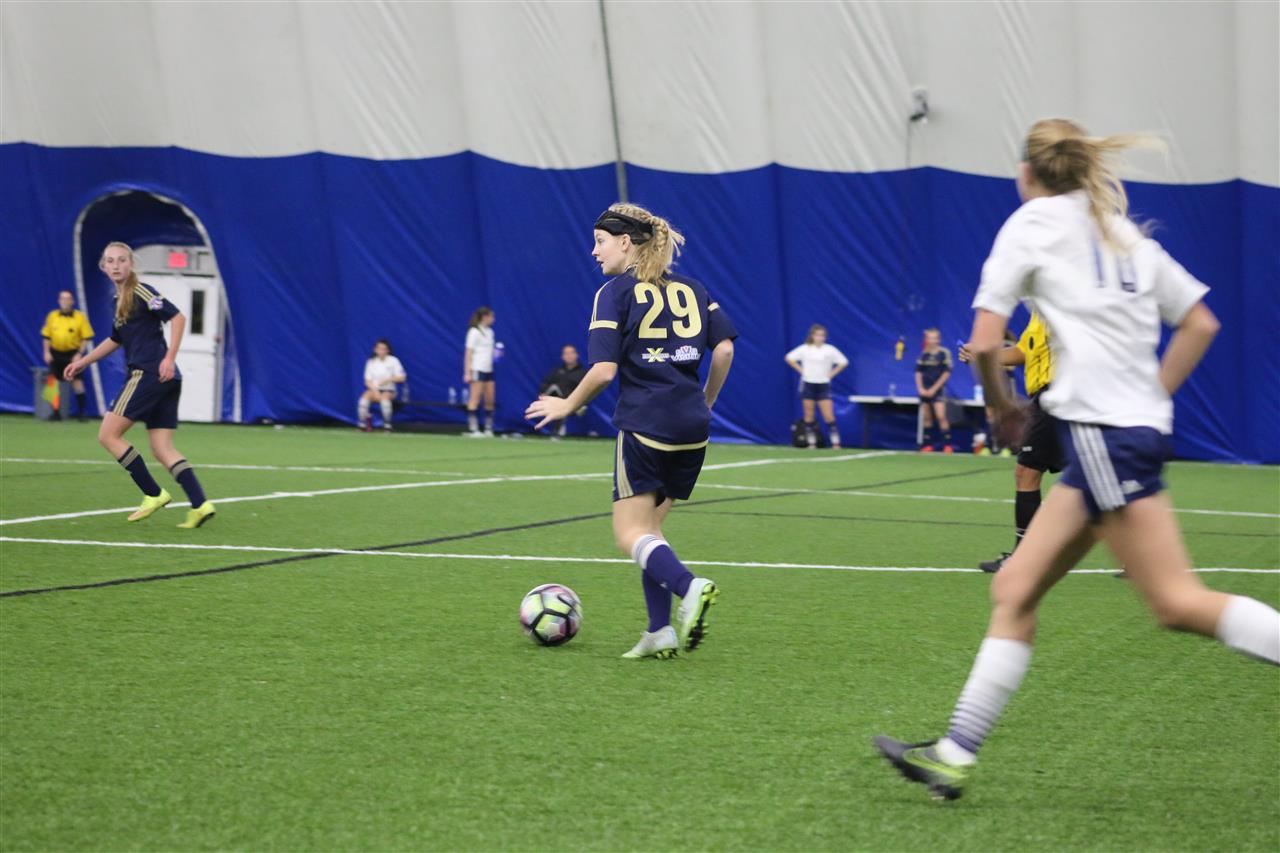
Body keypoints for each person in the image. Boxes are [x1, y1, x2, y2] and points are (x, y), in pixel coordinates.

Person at [873, 118, 1279, 802]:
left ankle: (953, 753)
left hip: (1100, 434)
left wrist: (1002, 406)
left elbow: (983, 342)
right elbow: (1200, 321)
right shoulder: (1119, 231)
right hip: (1120, 433)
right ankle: (952, 754)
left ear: (1026, 172)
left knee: (1175, 602)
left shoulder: (1029, 225)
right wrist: (1151, 396)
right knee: (1014, 589)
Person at [525, 203, 737, 660]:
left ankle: (689, 586)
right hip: (692, 426)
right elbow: (723, 349)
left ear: (625, 242)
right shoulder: (693, 288)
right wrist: (707, 400)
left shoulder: (614, 292)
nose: (594, 251)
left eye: (600, 241)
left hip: (646, 422)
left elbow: (604, 371)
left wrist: (567, 404)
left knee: (629, 533)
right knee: (651, 531)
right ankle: (659, 630)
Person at [65, 242, 216, 528]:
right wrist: (84, 361)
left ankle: (153, 493)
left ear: (131, 263)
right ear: (103, 266)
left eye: (122, 260)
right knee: (162, 448)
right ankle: (200, 504)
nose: (116, 265)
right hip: (165, 379)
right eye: (110, 261)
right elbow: (116, 339)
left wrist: (169, 358)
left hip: (149, 374)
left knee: (108, 435)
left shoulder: (141, 291)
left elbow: (178, 317)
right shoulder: (118, 300)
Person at [961, 312, 1062, 572]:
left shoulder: (1066, 304)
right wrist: (983, 355)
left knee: (1027, 472)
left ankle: (1025, 558)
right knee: (1099, 476)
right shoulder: (1039, 313)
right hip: (1048, 396)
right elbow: (1023, 351)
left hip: (1060, 394)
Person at [785, 324, 848, 449]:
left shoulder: (830, 350)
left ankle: (836, 443)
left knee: (828, 415)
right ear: (812, 336)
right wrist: (802, 371)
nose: (820, 338)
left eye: (822, 335)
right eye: (817, 335)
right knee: (809, 415)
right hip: (808, 384)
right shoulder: (805, 348)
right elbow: (789, 358)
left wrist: (831, 374)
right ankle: (811, 443)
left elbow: (843, 362)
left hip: (823, 385)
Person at [41, 290, 95, 421]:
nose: (65, 301)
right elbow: (46, 336)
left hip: (72, 354)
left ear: (72, 301)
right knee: (53, 382)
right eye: (62, 299)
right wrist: (46, 352)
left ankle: (82, 413)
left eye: (68, 299)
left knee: (77, 381)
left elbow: (86, 337)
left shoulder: (80, 317)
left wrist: (79, 354)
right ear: (59, 301)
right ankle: (55, 413)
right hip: (55, 353)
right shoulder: (52, 316)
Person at [915, 328, 953, 453]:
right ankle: (927, 445)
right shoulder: (923, 354)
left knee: (941, 416)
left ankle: (947, 445)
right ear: (926, 339)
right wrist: (921, 388)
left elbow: (946, 373)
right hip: (924, 390)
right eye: (930, 338)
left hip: (937, 390)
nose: (932, 341)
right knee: (927, 417)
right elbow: (918, 373)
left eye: (935, 338)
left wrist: (934, 388)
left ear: (938, 339)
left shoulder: (944, 353)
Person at [538, 344, 588, 438]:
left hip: (575, 401)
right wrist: (543, 394)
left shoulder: (583, 372)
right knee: (554, 388)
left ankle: (573, 410)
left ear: (577, 355)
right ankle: (556, 430)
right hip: (557, 401)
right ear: (562, 356)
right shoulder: (557, 371)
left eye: (571, 353)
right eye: (566, 353)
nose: (569, 356)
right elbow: (545, 384)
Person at [358, 339, 406, 432]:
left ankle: (387, 425)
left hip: (389, 390)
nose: (381, 351)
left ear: (388, 350)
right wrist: (375, 391)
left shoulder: (394, 361)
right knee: (364, 400)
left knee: (385, 400)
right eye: (379, 348)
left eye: (384, 349)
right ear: (375, 350)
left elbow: (402, 377)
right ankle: (362, 425)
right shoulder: (371, 362)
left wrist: (389, 379)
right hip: (374, 389)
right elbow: (367, 381)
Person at [463, 307, 497, 436]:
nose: (493, 319)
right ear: (484, 317)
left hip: (489, 369)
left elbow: (490, 352)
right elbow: (468, 353)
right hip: (477, 368)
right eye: (491, 316)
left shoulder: (490, 332)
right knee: (475, 399)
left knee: (490, 400)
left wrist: (497, 355)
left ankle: (488, 428)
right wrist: (467, 372)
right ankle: (473, 429)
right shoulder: (474, 332)